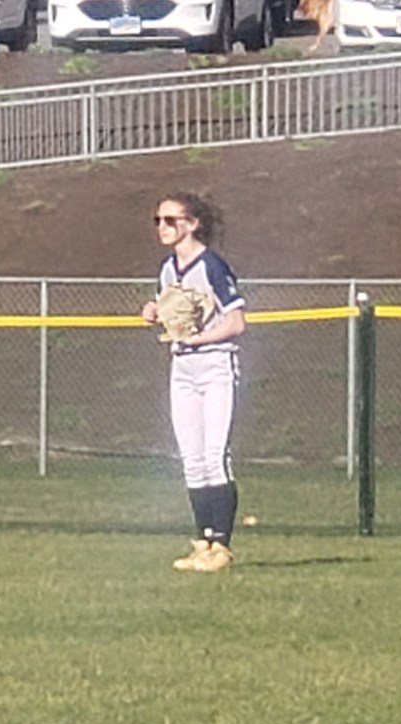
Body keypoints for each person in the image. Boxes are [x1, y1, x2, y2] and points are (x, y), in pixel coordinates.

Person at [141, 193, 246, 574]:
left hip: (215, 364)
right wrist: (155, 312)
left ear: (193, 223)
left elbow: (236, 323)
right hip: (183, 367)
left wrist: (198, 339)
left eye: (171, 220)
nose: (162, 227)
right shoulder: (168, 269)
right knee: (191, 458)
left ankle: (222, 546)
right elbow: (175, 313)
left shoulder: (212, 265)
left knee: (215, 456)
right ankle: (203, 543)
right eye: (158, 220)